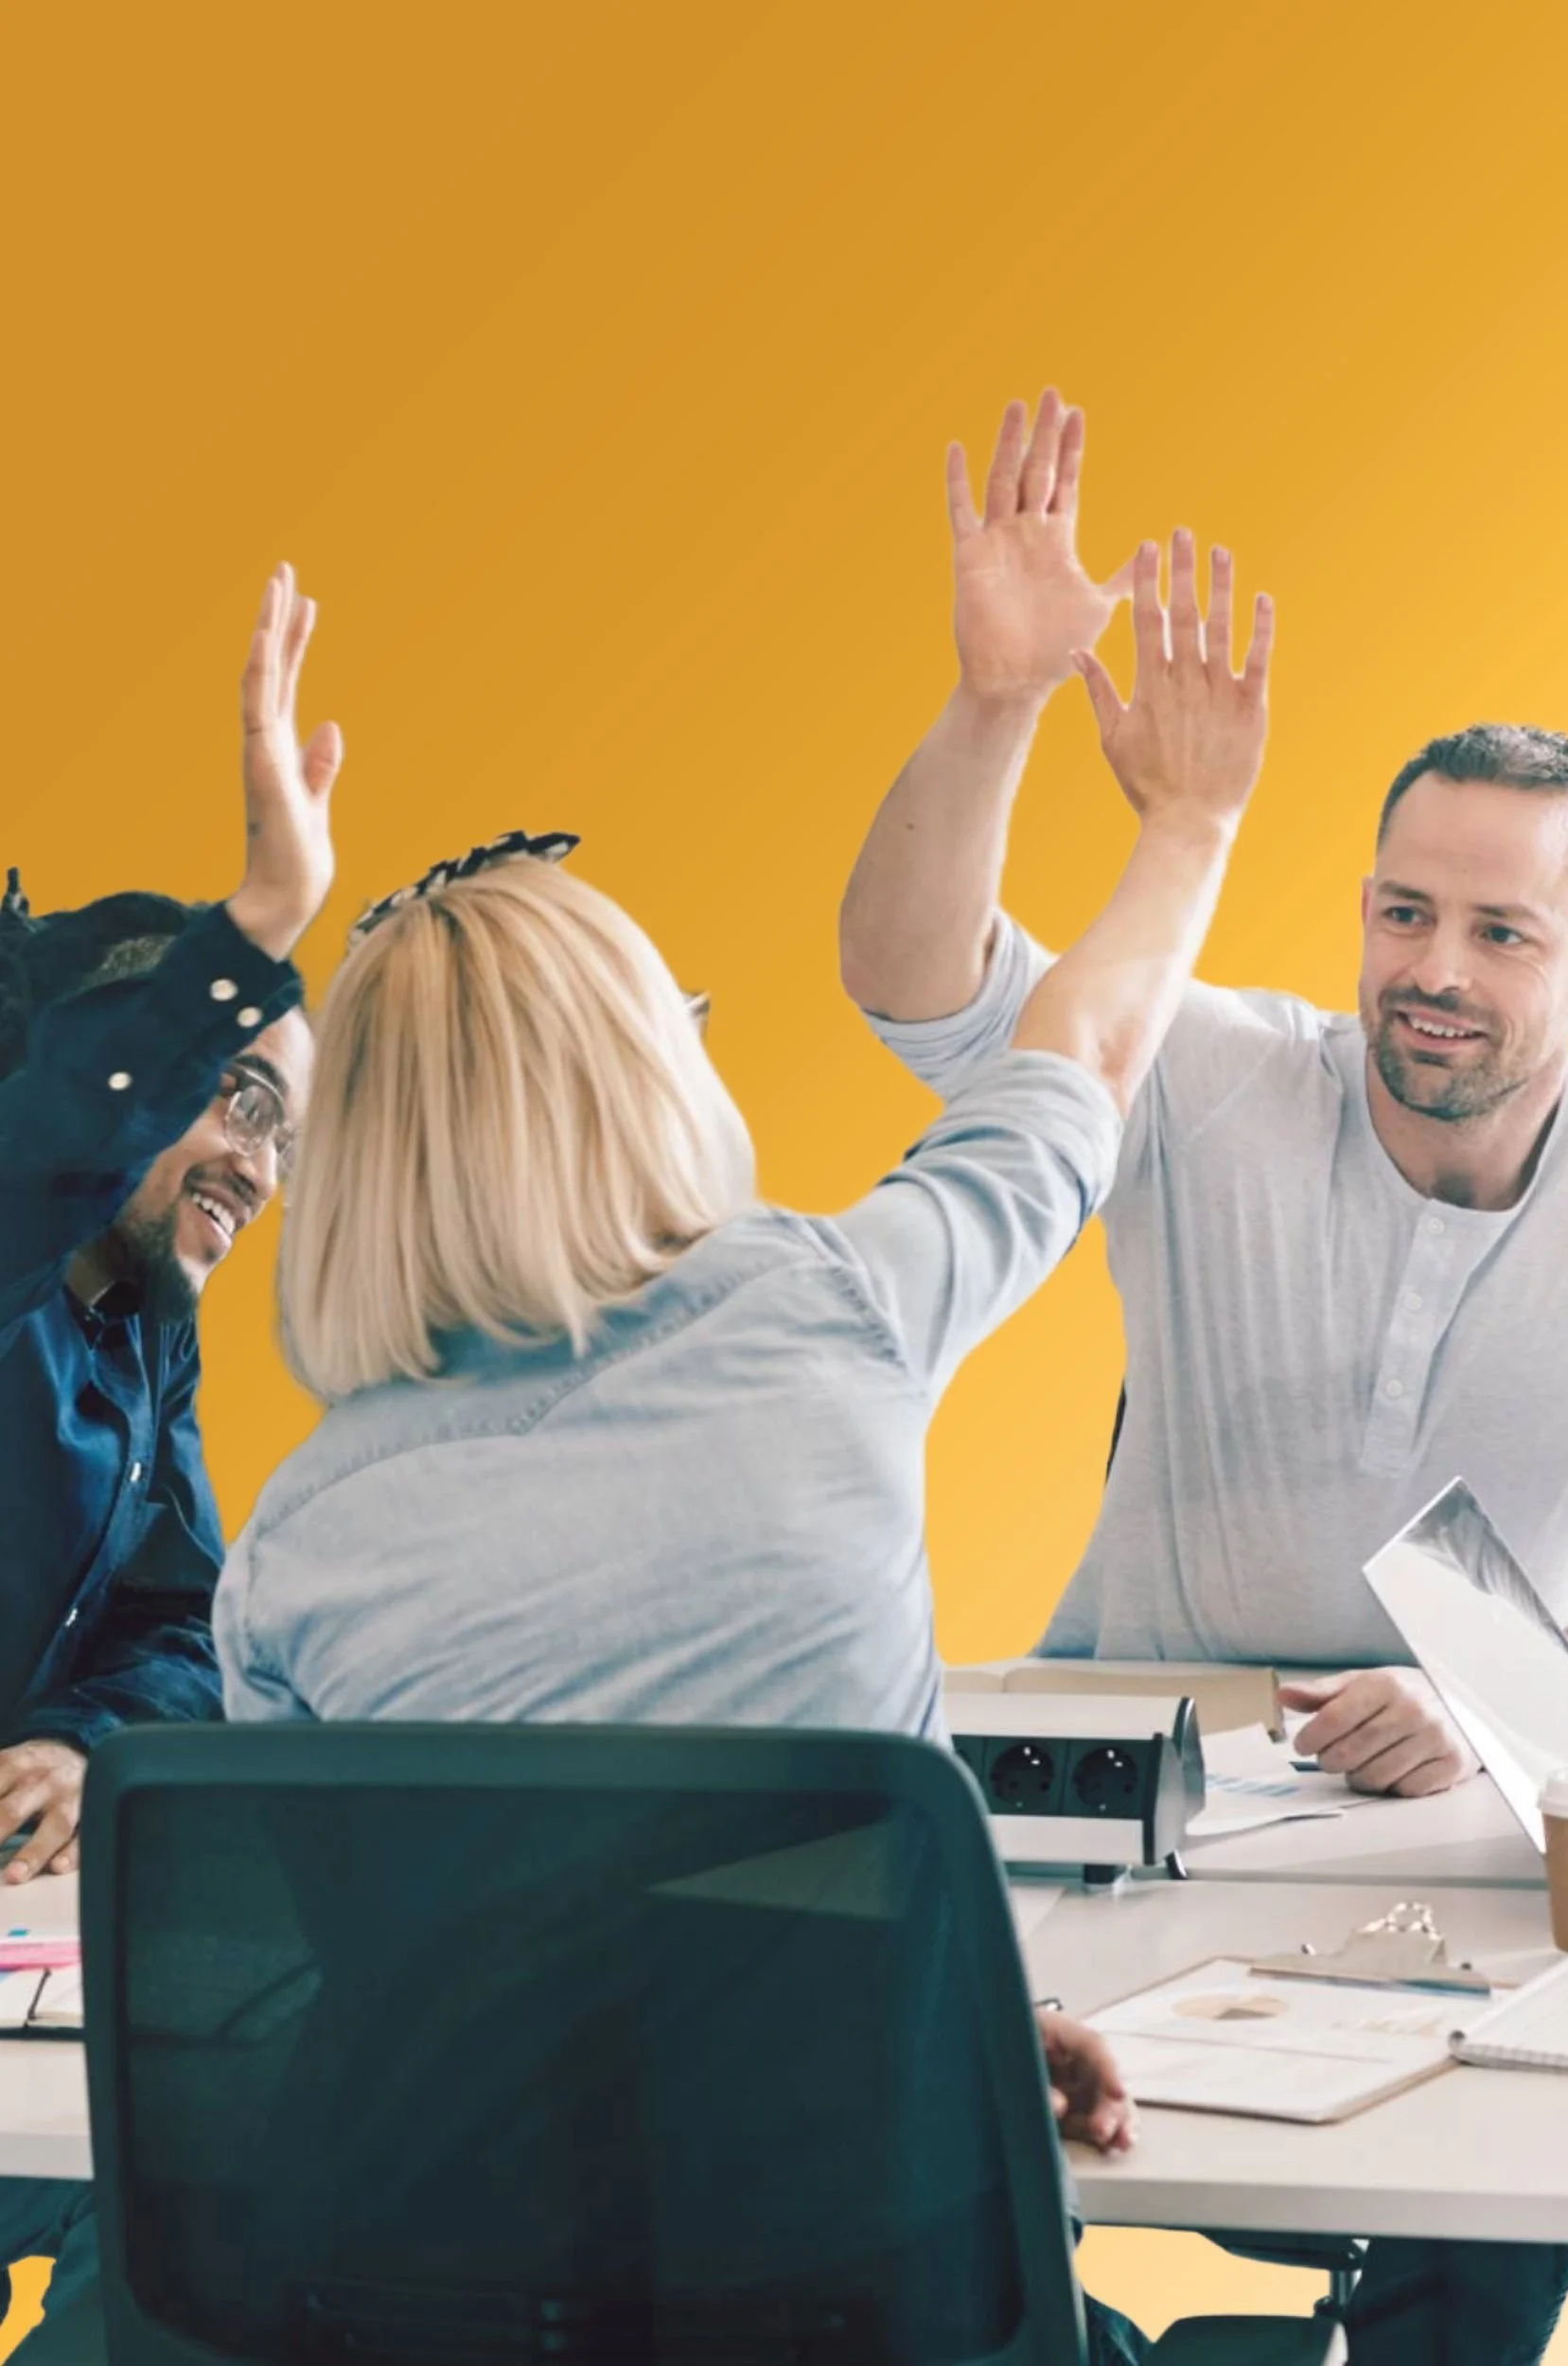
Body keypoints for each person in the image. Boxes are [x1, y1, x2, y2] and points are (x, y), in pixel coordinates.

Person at [211, 518, 1275, 2363]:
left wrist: (928, 2016)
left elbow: (435, 2001)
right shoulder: (832, 1306)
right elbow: (1081, 1061)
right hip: (862, 2288)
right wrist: (1184, 820)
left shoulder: (291, 1553)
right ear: (653, 1074)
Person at [839, 391, 1568, 2365]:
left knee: (1518, 2169)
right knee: (907, 2152)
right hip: (1124, 1778)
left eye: (1495, 931)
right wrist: (994, 705)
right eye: (1396, 910)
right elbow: (911, 978)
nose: (1427, 967)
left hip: (1454, 1817)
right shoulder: (1207, 1070)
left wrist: (1483, 1690)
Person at [0, 563, 341, 2355]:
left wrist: (81, 1739)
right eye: (237, 1094)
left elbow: (185, 1621)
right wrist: (258, 926)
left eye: (282, 1119)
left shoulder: (144, 1332)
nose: (259, 1163)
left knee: (216, 2198)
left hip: (21, 1990)